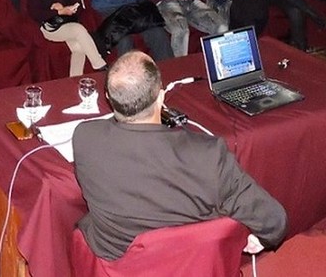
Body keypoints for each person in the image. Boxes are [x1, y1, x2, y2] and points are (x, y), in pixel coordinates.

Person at [73, 51, 287, 261]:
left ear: (109, 98)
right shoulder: (208, 155)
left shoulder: (84, 136)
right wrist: (262, 238)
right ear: (161, 96)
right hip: (187, 265)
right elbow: (274, 221)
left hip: (116, 262)